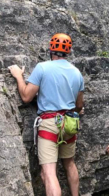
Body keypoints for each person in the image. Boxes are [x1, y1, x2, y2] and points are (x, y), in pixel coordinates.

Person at [8, 33, 84, 196]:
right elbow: (79, 105)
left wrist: (18, 76)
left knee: (49, 173)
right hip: (70, 124)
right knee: (70, 164)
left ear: (51, 49)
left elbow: (26, 96)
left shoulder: (43, 68)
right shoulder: (77, 73)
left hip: (50, 123)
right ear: (68, 52)